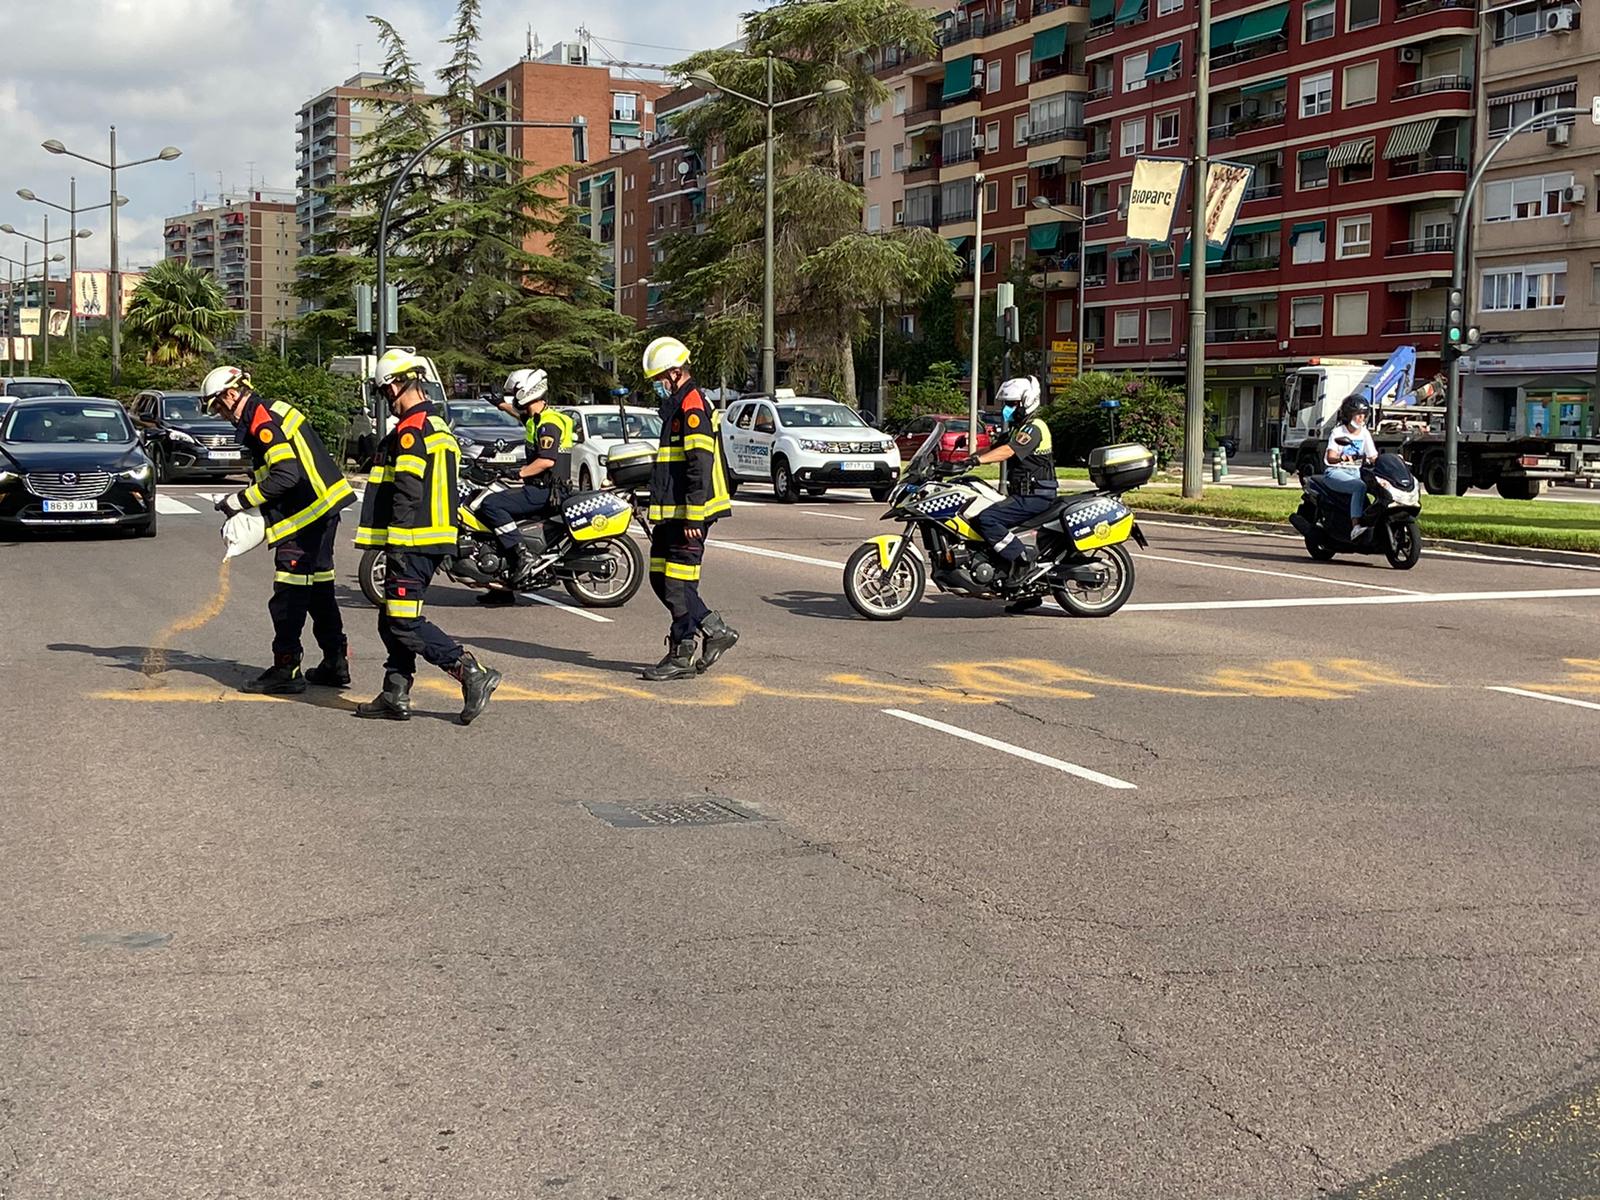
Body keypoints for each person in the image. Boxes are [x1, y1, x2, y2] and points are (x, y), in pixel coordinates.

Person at [354, 349, 501, 724]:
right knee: (392, 617)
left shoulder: (411, 430)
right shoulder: (436, 424)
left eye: (387, 392)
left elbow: (407, 489)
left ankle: (469, 671)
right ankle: (395, 692)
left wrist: (399, 541)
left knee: (403, 621)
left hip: (414, 540)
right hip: (429, 537)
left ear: (399, 384)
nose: (387, 401)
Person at [205, 365, 356, 694]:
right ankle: (335, 661)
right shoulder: (271, 409)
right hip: (323, 510)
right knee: (319, 592)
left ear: (231, 394)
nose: (220, 415)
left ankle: (286, 669)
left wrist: (239, 501)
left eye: (218, 406)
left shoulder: (261, 421)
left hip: (305, 517)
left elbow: (286, 475)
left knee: (288, 595)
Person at [639, 336, 736, 681]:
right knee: (660, 578)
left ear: (676, 373)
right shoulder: (678, 405)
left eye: (659, 381)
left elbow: (699, 465)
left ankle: (683, 651)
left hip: (690, 512)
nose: (657, 388)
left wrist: (694, 514)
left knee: (678, 585)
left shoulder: (692, 407)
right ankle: (713, 629)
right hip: (673, 512)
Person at [473, 368, 572, 602]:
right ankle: (502, 589)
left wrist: (518, 473)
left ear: (528, 391)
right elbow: (518, 414)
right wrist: (498, 403)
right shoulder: (536, 418)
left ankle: (523, 555)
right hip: (541, 488)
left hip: (547, 491)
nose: (514, 397)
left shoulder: (549, 424)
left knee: (491, 505)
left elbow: (547, 460)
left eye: (516, 392)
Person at [965, 375, 1058, 589]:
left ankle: (1021, 560)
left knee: (987, 519)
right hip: (1024, 495)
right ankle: (1022, 588)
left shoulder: (1035, 428)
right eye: (1006, 404)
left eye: (1011, 404)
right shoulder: (1020, 428)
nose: (1007, 409)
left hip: (1036, 496)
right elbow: (995, 447)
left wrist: (977, 460)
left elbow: (1008, 451)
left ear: (1026, 401)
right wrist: (963, 461)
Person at [1322, 395, 1378, 532]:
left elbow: (1373, 456)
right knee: (1359, 487)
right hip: (1336, 472)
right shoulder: (1338, 432)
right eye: (1357, 414)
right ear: (1348, 416)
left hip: (1356, 472)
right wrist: (1342, 458)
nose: (1361, 418)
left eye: (1363, 414)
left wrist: (1390, 463)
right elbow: (1331, 457)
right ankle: (1356, 527)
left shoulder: (1364, 433)